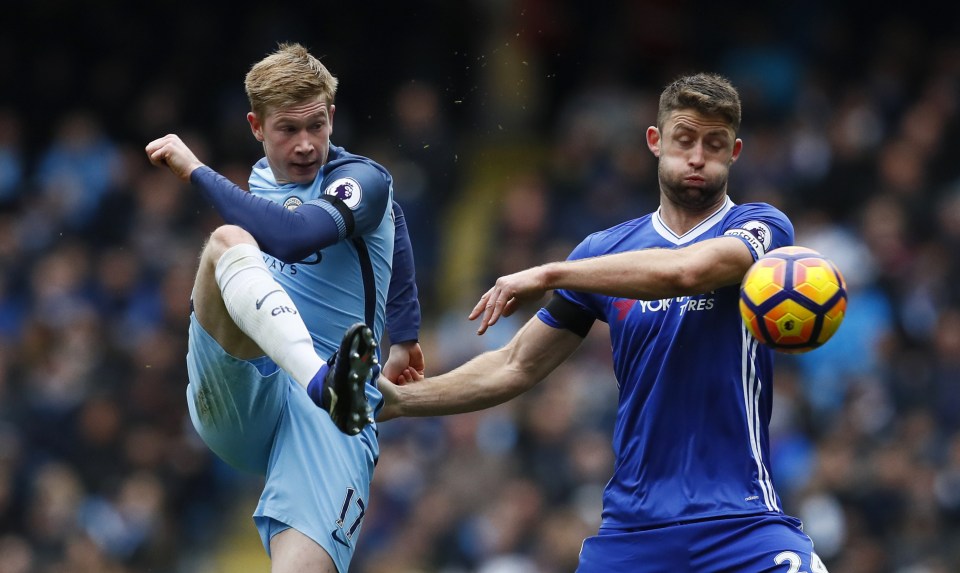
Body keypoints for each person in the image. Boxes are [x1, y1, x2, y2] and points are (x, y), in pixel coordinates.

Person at [379, 73, 830, 572]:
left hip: (741, 526)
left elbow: (688, 271)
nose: (698, 156)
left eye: (714, 143)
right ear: (655, 142)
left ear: (735, 152)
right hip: (632, 535)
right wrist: (402, 401)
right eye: (684, 140)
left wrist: (550, 271)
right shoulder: (605, 253)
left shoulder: (761, 228)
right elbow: (513, 365)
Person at [145, 42, 424, 573]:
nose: (305, 145)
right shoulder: (259, 182)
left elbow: (298, 236)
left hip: (332, 413)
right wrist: (406, 335)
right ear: (256, 126)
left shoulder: (361, 180)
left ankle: (326, 387)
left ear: (332, 117)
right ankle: (322, 382)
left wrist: (195, 170)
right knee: (226, 242)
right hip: (249, 384)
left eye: (316, 126)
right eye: (287, 130)